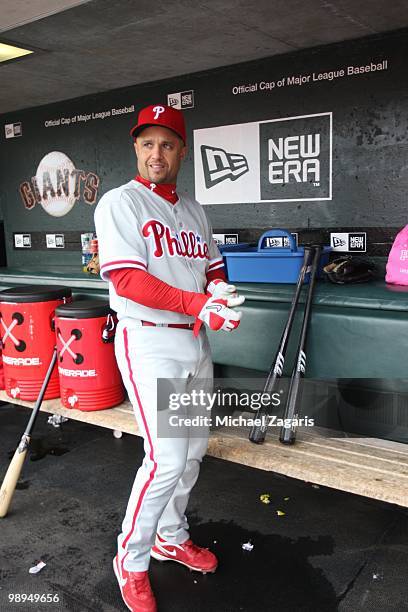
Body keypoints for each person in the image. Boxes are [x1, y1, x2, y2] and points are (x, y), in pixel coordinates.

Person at [94, 104, 244, 612]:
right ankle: (130, 560)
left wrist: (220, 296)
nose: (156, 153)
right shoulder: (122, 203)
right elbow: (129, 280)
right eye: (146, 143)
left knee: (194, 451)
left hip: (195, 341)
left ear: (182, 150)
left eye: (167, 144)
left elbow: (213, 267)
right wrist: (200, 302)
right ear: (137, 148)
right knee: (165, 459)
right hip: (150, 340)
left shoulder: (195, 210)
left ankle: (170, 535)